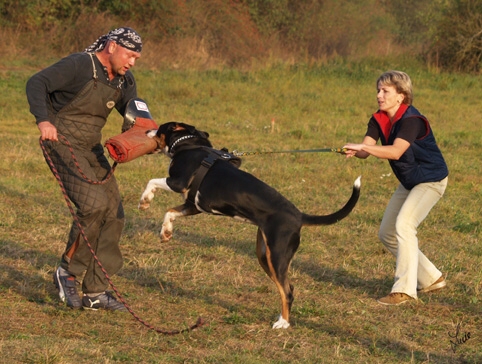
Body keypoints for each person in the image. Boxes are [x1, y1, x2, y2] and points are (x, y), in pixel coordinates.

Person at [26, 27, 143, 310]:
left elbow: (134, 106)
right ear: (112, 46)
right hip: (61, 141)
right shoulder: (80, 64)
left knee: (113, 211)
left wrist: (138, 124)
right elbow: (36, 82)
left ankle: (95, 291)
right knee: (93, 206)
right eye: (129, 55)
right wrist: (44, 121)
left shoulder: (123, 79)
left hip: (91, 147)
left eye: (137, 58)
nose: (132, 63)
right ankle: (67, 272)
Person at [343, 70, 448, 306]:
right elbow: (365, 150)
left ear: (401, 96)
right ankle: (431, 278)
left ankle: (404, 290)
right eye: (378, 90)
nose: (379, 95)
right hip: (410, 181)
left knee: (404, 225)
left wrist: (365, 148)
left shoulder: (412, 120)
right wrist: (353, 149)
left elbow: (395, 151)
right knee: (387, 233)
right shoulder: (378, 119)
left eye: (385, 91)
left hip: (431, 180)